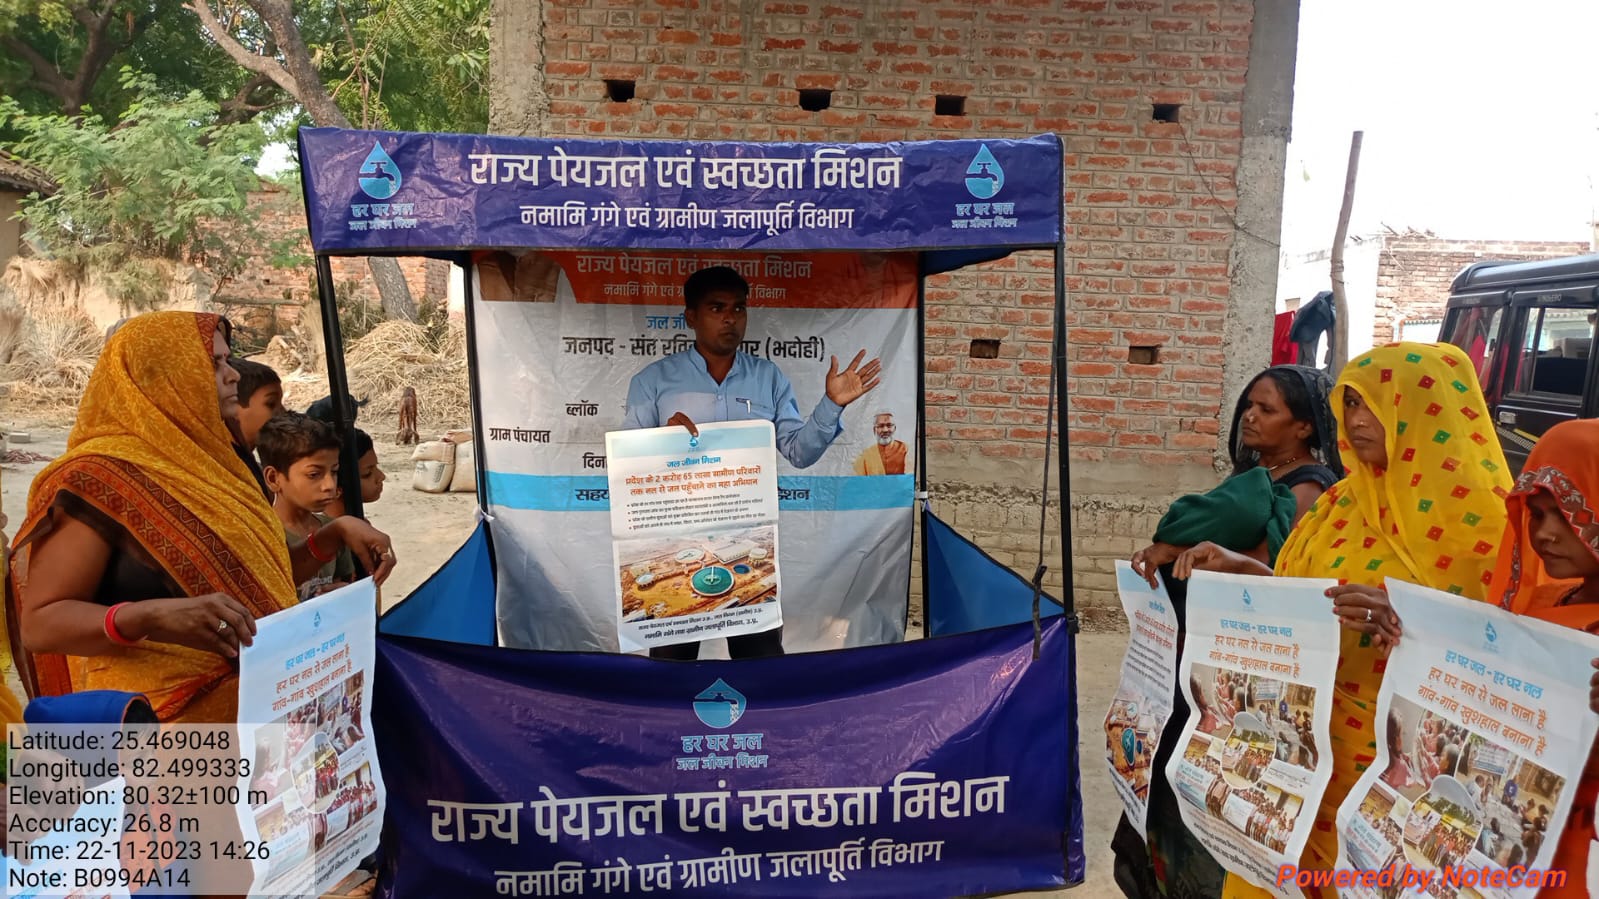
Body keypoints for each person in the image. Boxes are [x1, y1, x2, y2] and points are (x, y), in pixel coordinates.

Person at [1172, 342, 1511, 899]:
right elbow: (1305, 599)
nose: (1356, 420)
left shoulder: (1484, 526)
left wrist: (1408, 624)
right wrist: (1243, 569)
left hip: (1394, 762)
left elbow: (1505, 661)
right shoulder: (1339, 504)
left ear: (1426, 409)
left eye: (1374, 403)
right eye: (1349, 403)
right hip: (1300, 741)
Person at [7, 312, 396, 723]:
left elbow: (256, 584)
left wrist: (333, 535)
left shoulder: (221, 466)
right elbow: (41, 624)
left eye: (227, 360)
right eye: (214, 363)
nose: (232, 375)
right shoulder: (97, 478)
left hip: (257, 711)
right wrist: (152, 616)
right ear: (162, 376)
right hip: (158, 728)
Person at [1115, 365, 1340, 899]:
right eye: (1249, 406)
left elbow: (1264, 571)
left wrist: (1185, 552)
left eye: (1267, 409)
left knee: (1213, 789)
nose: (1250, 417)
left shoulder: (1307, 490)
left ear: (1304, 426)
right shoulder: (1257, 476)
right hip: (1194, 657)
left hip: (1241, 670)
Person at [622, 266, 881, 661]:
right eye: (717, 308)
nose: (731, 318)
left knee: (759, 661)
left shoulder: (768, 378)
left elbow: (799, 452)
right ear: (690, 316)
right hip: (679, 544)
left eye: (739, 308)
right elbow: (629, 470)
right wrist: (661, 445)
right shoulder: (653, 382)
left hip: (748, 546)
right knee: (672, 665)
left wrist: (831, 405)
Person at [1480, 419, 1599, 896]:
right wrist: (1408, 628)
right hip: (1513, 852)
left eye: (1567, 513)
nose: (1545, 533)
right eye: (1536, 514)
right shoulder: (1544, 605)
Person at [260, 412, 357, 601]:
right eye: (314, 475)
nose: (330, 485)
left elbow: (343, 581)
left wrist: (343, 593)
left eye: (334, 471)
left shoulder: (332, 530)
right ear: (273, 478)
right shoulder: (265, 536)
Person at [229, 357, 283, 502]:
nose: (282, 412)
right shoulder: (231, 472)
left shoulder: (253, 466)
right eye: (271, 404)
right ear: (232, 405)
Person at [325, 428, 386, 520]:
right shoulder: (338, 529)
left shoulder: (357, 521)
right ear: (335, 487)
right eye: (367, 474)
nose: (382, 476)